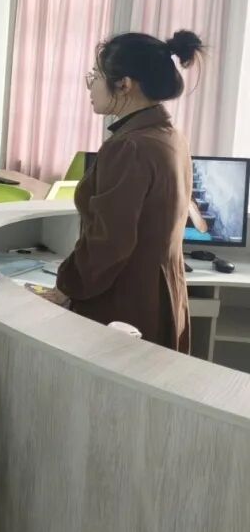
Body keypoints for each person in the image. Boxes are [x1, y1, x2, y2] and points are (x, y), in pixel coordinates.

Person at [57, 30, 203, 352]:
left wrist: (65, 286)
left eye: (95, 76)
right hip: (157, 295)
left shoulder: (130, 146)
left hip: (122, 305)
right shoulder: (170, 136)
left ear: (124, 84)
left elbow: (110, 242)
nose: (90, 86)